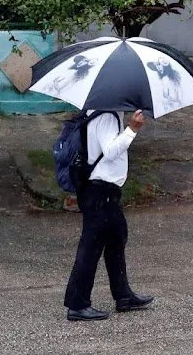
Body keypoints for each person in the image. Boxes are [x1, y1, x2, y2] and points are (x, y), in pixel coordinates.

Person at [64, 109, 154, 321]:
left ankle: (123, 295)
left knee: (117, 237)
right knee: (90, 247)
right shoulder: (106, 116)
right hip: (100, 191)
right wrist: (132, 129)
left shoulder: (104, 112)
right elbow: (111, 151)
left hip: (104, 191)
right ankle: (77, 304)